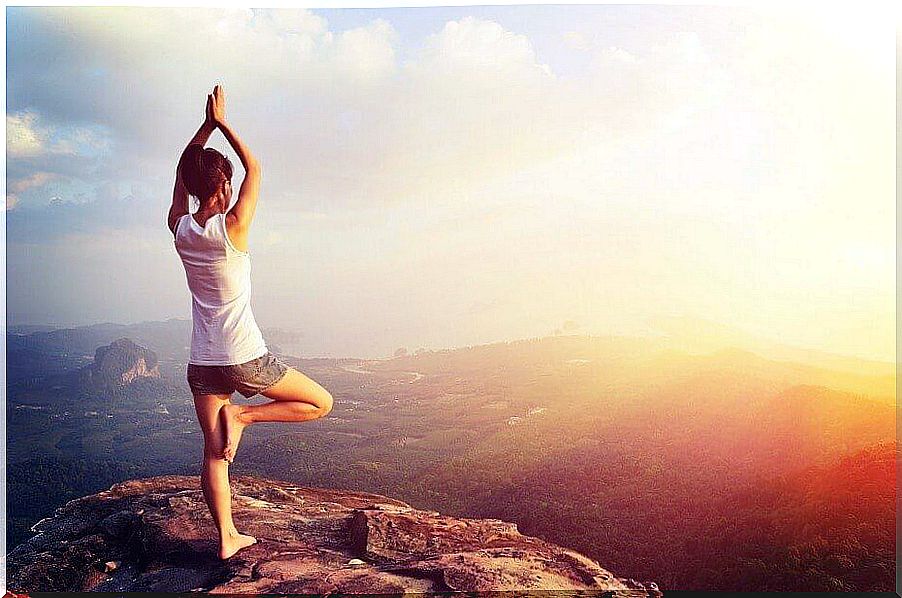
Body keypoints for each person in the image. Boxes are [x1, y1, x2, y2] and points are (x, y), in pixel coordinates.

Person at [167, 84, 334, 560]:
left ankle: (226, 540)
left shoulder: (179, 229)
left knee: (213, 453)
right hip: (244, 359)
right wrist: (221, 122)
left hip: (202, 363)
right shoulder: (233, 228)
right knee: (321, 402)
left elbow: (184, 172)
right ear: (224, 186)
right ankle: (245, 416)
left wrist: (204, 131)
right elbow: (255, 167)